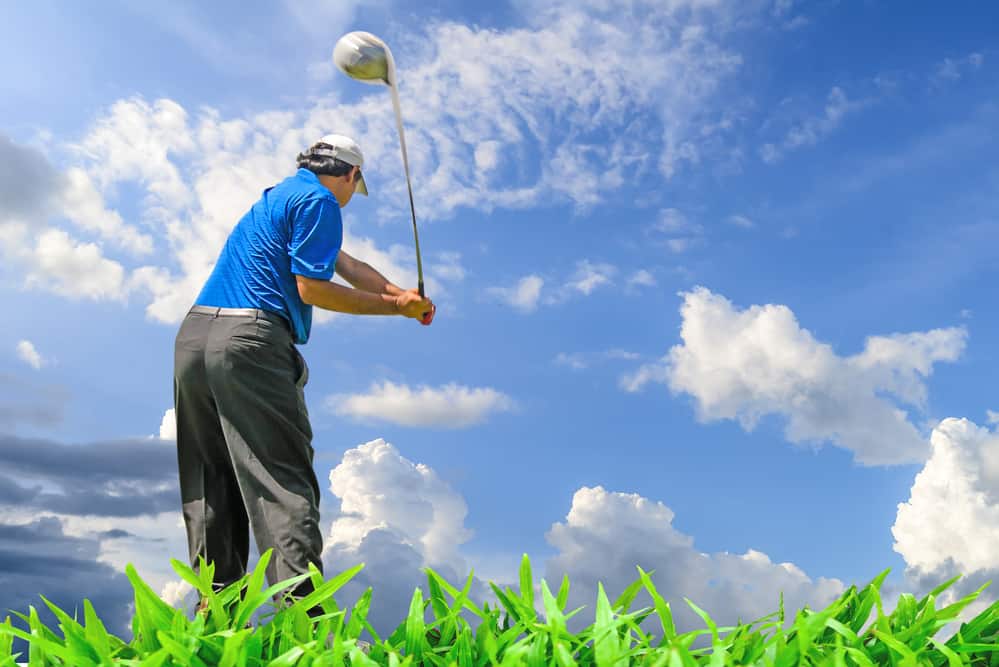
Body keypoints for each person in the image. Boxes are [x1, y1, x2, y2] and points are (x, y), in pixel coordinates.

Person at [173, 133, 433, 618]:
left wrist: (403, 299)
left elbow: (348, 264)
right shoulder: (321, 203)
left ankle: (211, 623)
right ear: (351, 175)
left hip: (194, 338)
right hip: (250, 342)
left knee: (211, 478)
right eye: (356, 187)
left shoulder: (280, 197)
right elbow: (313, 288)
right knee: (282, 483)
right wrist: (393, 311)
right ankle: (302, 630)